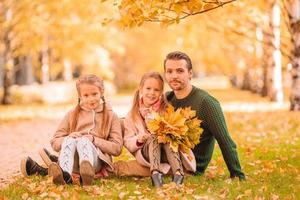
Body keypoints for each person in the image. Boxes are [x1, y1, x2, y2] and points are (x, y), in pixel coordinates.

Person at [164, 51, 245, 180]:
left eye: (180, 71)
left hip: (188, 167)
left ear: (190, 73)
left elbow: (225, 141)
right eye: (169, 71)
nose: (174, 76)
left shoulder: (206, 103)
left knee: (127, 168)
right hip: (166, 158)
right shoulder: (167, 99)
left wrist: (237, 174)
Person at [123, 72, 196, 187]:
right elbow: (127, 141)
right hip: (147, 152)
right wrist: (139, 139)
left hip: (166, 152)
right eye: (148, 88)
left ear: (161, 92)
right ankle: (155, 173)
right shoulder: (132, 115)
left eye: (156, 90)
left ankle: (178, 173)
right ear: (141, 89)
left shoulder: (166, 110)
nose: (152, 93)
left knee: (166, 135)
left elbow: (177, 132)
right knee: (154, 137)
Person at [48, 74, 123, 185]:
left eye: (94, 94)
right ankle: (65, 175)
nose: (91, 99)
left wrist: (94, 140)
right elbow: (55, 142)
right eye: (86, 95)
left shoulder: (111, 116)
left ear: (101, 92)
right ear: (80, 96)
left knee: (84, 141)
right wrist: (67, 138)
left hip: (96, 163)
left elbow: (117, 148)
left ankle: (87, 174)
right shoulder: (72, 114)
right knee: (70, 140)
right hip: (73, 163)